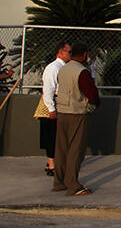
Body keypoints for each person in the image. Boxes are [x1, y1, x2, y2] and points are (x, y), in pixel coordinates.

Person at [53, 42, 100, 196]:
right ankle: (73, 185)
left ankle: (59, 182)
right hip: (77, 113)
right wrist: (95, 102)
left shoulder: (63, 69)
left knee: (61, 148)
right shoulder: (82, 72)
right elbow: (91, 94)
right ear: (85, 54)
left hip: (62, 111)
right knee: (75, 150)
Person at [38, 42, 71, 176]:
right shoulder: (53, 68)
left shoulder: (63, 67)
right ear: (61, 52)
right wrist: (51, 108)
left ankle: (52, 161)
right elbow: (49, 89)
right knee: (52, 134)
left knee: (57, 134)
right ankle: (52, 164)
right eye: (69, 52)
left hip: (59, 102)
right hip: (52, 103)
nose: (70, 54)